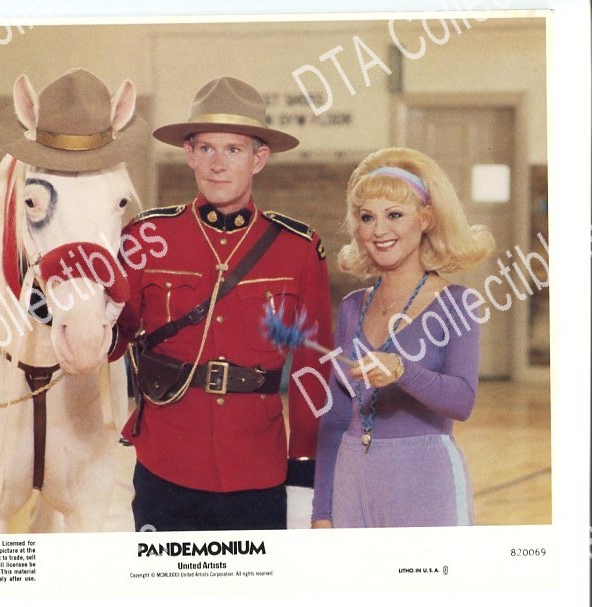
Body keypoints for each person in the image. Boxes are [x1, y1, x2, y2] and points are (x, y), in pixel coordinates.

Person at [110, 76, 333, 531]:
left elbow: (313, 370)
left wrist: (304, 471)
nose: (217, 164)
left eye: (233, 149)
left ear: (258, 159)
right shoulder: (147, 238)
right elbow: (112, 338)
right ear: (188, 154)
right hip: (166, 464)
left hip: (258, 468)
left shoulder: (297, 249)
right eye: (206, 148)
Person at [311, 147, 495, 528]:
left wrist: (401, 371)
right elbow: (335, 417)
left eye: (394, 215)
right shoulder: (352, 307)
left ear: (425, 219)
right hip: (350, 481)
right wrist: (322, 511)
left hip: (424, 481)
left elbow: (462, 401)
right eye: (367, 217)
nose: (379, 230)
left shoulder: (458, 303)